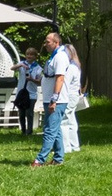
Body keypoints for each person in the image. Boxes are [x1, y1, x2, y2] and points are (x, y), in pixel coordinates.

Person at [33, 31, 81, 167]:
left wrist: (54, 99)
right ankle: (58, 158)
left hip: (57, 100)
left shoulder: (60, 57)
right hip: (50, 98)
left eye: (48, 42)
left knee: (49, 130)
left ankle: (39, 160)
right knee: (56, 129)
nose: (45, 44)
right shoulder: (54, 56)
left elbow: (60, 78)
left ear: (56, 42)